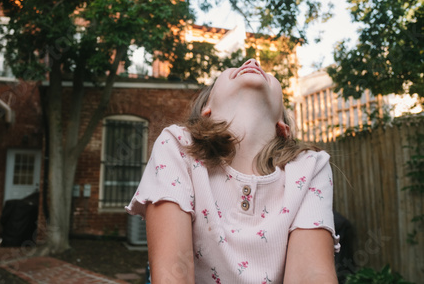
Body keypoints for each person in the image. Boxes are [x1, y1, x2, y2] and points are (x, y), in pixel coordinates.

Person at [126, 59, 340, 284]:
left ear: (282, 127)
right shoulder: (178, 147)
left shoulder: (309, 166)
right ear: (206, 111)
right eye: (231, 69)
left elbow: (312, 275)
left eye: (264, 67)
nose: (253, 61)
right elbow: (172, 276)